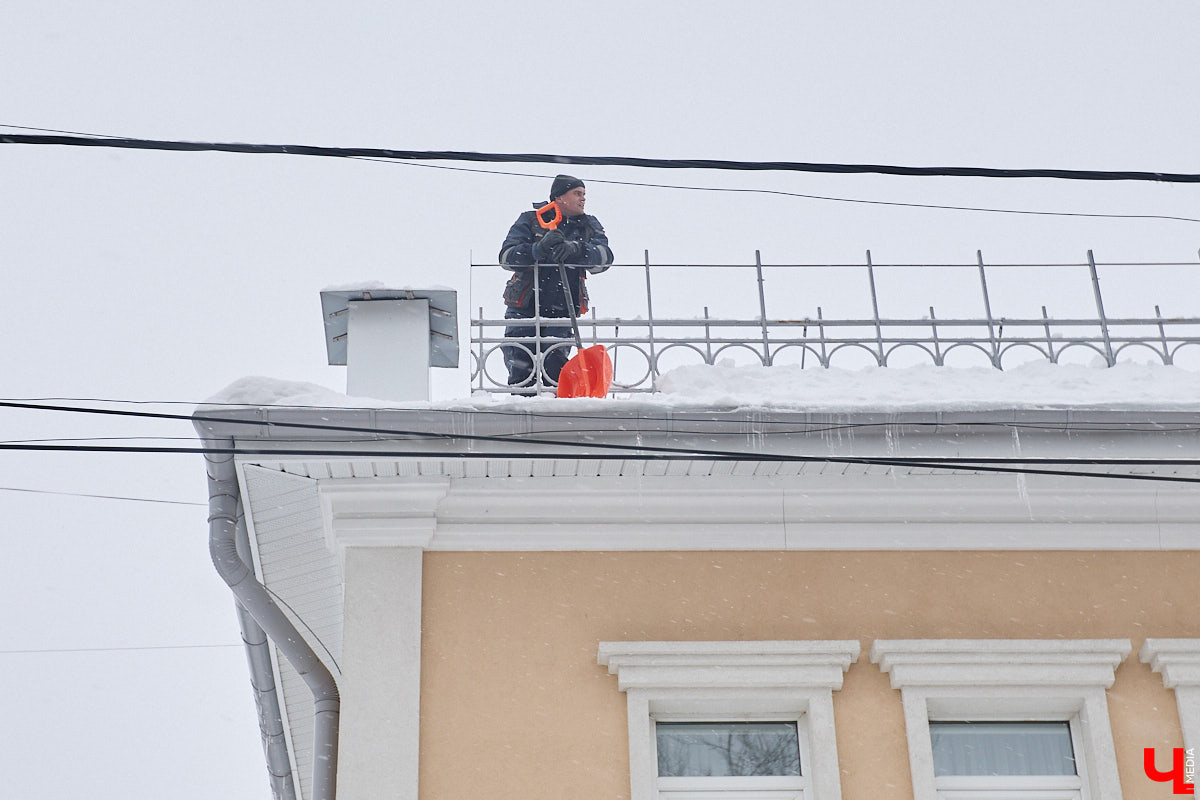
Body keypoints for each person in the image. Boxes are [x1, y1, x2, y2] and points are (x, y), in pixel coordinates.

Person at [498, 174, 613, 392]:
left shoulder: (587, 225)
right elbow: (506, 257)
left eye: (584, 194)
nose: (583, 199)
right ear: (559, 197)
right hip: (524, 308)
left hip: (562, 308)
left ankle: (553, 411)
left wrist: (577, 249)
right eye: (577, 193)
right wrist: (536, 250)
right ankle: (522, 408)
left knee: (556, 369)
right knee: (521, 366)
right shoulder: (531, 220)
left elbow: (604, 259)